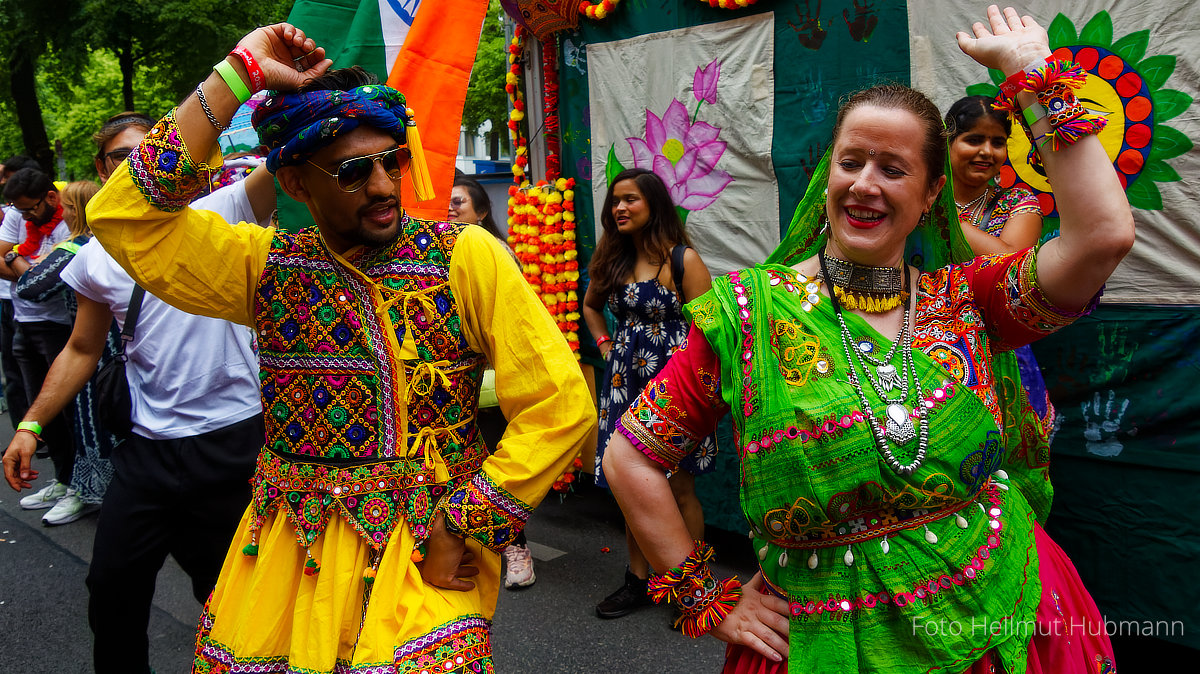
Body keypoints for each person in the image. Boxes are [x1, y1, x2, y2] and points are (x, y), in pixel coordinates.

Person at [603, 6, 1132, 672]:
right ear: (827, 176)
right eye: (850, 162)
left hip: (1000, 616)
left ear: (931, 193)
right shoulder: (750, 316)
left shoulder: (966, 300)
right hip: (819, 637)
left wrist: (1033, 78)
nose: (864, 184)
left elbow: (1103, 236)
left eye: (892, 169)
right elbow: (631, 459)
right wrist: (705, 598)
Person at [83, 24, 593, 673]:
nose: (383, 186)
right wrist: (237, 74)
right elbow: (123, 219)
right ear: (296, 184)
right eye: (354, 171)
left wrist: (465, 523)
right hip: (287, 555)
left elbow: (560, 404)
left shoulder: (464, 257)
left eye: (393, 161)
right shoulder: (264, 265)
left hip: (423, 555)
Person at [2, 110, 272, 674]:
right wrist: (29, 425)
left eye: (152, 148)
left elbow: (289, 162)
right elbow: (81, 349)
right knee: (112, 589)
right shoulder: (98, 255)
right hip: (147, 450)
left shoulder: (223, 210)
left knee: (233, 598)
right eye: (122, 158)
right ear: (104, 174)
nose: (139, 164)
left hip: (235, 445)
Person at [584, 167, 716, 620]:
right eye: (615, 201)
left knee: (679, 488)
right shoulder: (613, 257)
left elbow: (709, 330)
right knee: (630, 488)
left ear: (654, 204)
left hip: (674, 385)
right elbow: (591, 305)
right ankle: (636, 581)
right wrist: (605, 343)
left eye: (630, 200)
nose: (619, 208)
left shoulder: (685, 260)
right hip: (623, 382)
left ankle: (692, 591)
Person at [946, 94, 1054, 427]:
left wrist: (947, 219)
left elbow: (1013, 265)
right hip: (915, 338)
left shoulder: (1016, 201)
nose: (987, 152)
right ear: (946, 142)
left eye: (998, 142)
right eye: (974, 140)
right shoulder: (914, 194)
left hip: (999, 351)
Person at [447, 175, 534, 590]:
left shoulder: (495, 254)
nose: (450, 208)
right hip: (453, 389)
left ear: (482, 212)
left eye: (459, 202)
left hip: (490, 385)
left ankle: (515, 548)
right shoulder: (437, 252)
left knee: (497, 467)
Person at [13, 179, 112, 525]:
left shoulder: (78, 248)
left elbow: (31, 287)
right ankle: (74, 484)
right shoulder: (96, 244)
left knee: (89, 423)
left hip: (94, 348)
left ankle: (87, 491)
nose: (64, 214)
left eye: (69, 207)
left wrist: (13, 256)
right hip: (101, 346)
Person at [1, 168, 78, 510]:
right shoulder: (23, 219)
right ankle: (62, 479)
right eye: (21, 211)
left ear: (51, 198)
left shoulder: (67, 225)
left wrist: (16, 261)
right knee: (39, 409)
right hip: (23, 324)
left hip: (58, 327)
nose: (26, 215)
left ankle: (79, 484)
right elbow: (26, 274)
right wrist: (23, 264)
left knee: (68, 410)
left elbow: (43, 288)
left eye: (31, 208)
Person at [0, 155, 41, 426]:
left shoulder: (59, 212)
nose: (3, 182)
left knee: (47, 375)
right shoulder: (14, 212)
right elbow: (2, 257)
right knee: (16, 373)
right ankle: (23, 433)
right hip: (12, 303)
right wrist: (30, 274)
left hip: (53, 314)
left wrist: (21, 267)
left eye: (9, 176)